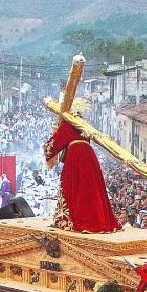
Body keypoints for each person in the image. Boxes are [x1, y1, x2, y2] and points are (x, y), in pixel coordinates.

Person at [43, 56, 121, 233]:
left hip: (76, 158)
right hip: (89, 157)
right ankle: (100, 221)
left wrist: (50, 142)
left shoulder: (68, 123)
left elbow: (54, 145)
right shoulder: (83, 123)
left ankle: (79, 221)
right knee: (91, 189)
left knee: (75, 189)